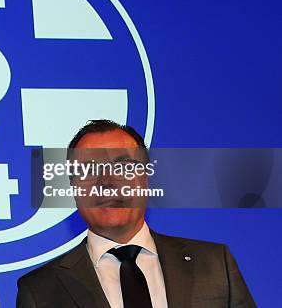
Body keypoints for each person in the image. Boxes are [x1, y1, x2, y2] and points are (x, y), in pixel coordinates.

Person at [17, 120, 255, 308]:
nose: (107, 182)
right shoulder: (40, 290)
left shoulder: (214, 265)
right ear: (73, 188)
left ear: (146, 178)